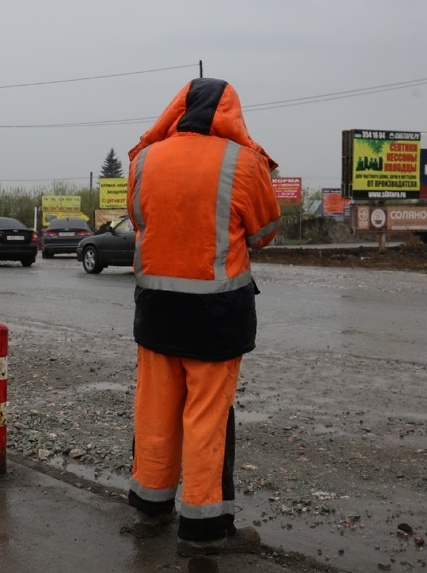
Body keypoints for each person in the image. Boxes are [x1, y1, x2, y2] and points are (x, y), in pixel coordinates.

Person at [124, 78, 281, 556]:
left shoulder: (145, 159)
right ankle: (205, 529)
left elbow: (139, 221)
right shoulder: (244, 162)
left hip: (156, 312)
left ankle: (151, 506)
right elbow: (265, 231)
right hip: (215, 318)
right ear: (230, 114)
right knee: (206, 419)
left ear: (177, 111)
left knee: (155, 412)